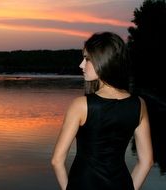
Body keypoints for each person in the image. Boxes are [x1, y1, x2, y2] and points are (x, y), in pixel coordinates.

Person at [51, 31, 153, 190]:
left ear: (103, 61)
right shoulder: (139, 104)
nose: (81, 65)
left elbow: (57, 160)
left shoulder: (81, 105)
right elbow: (146, 162)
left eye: (87, 59)